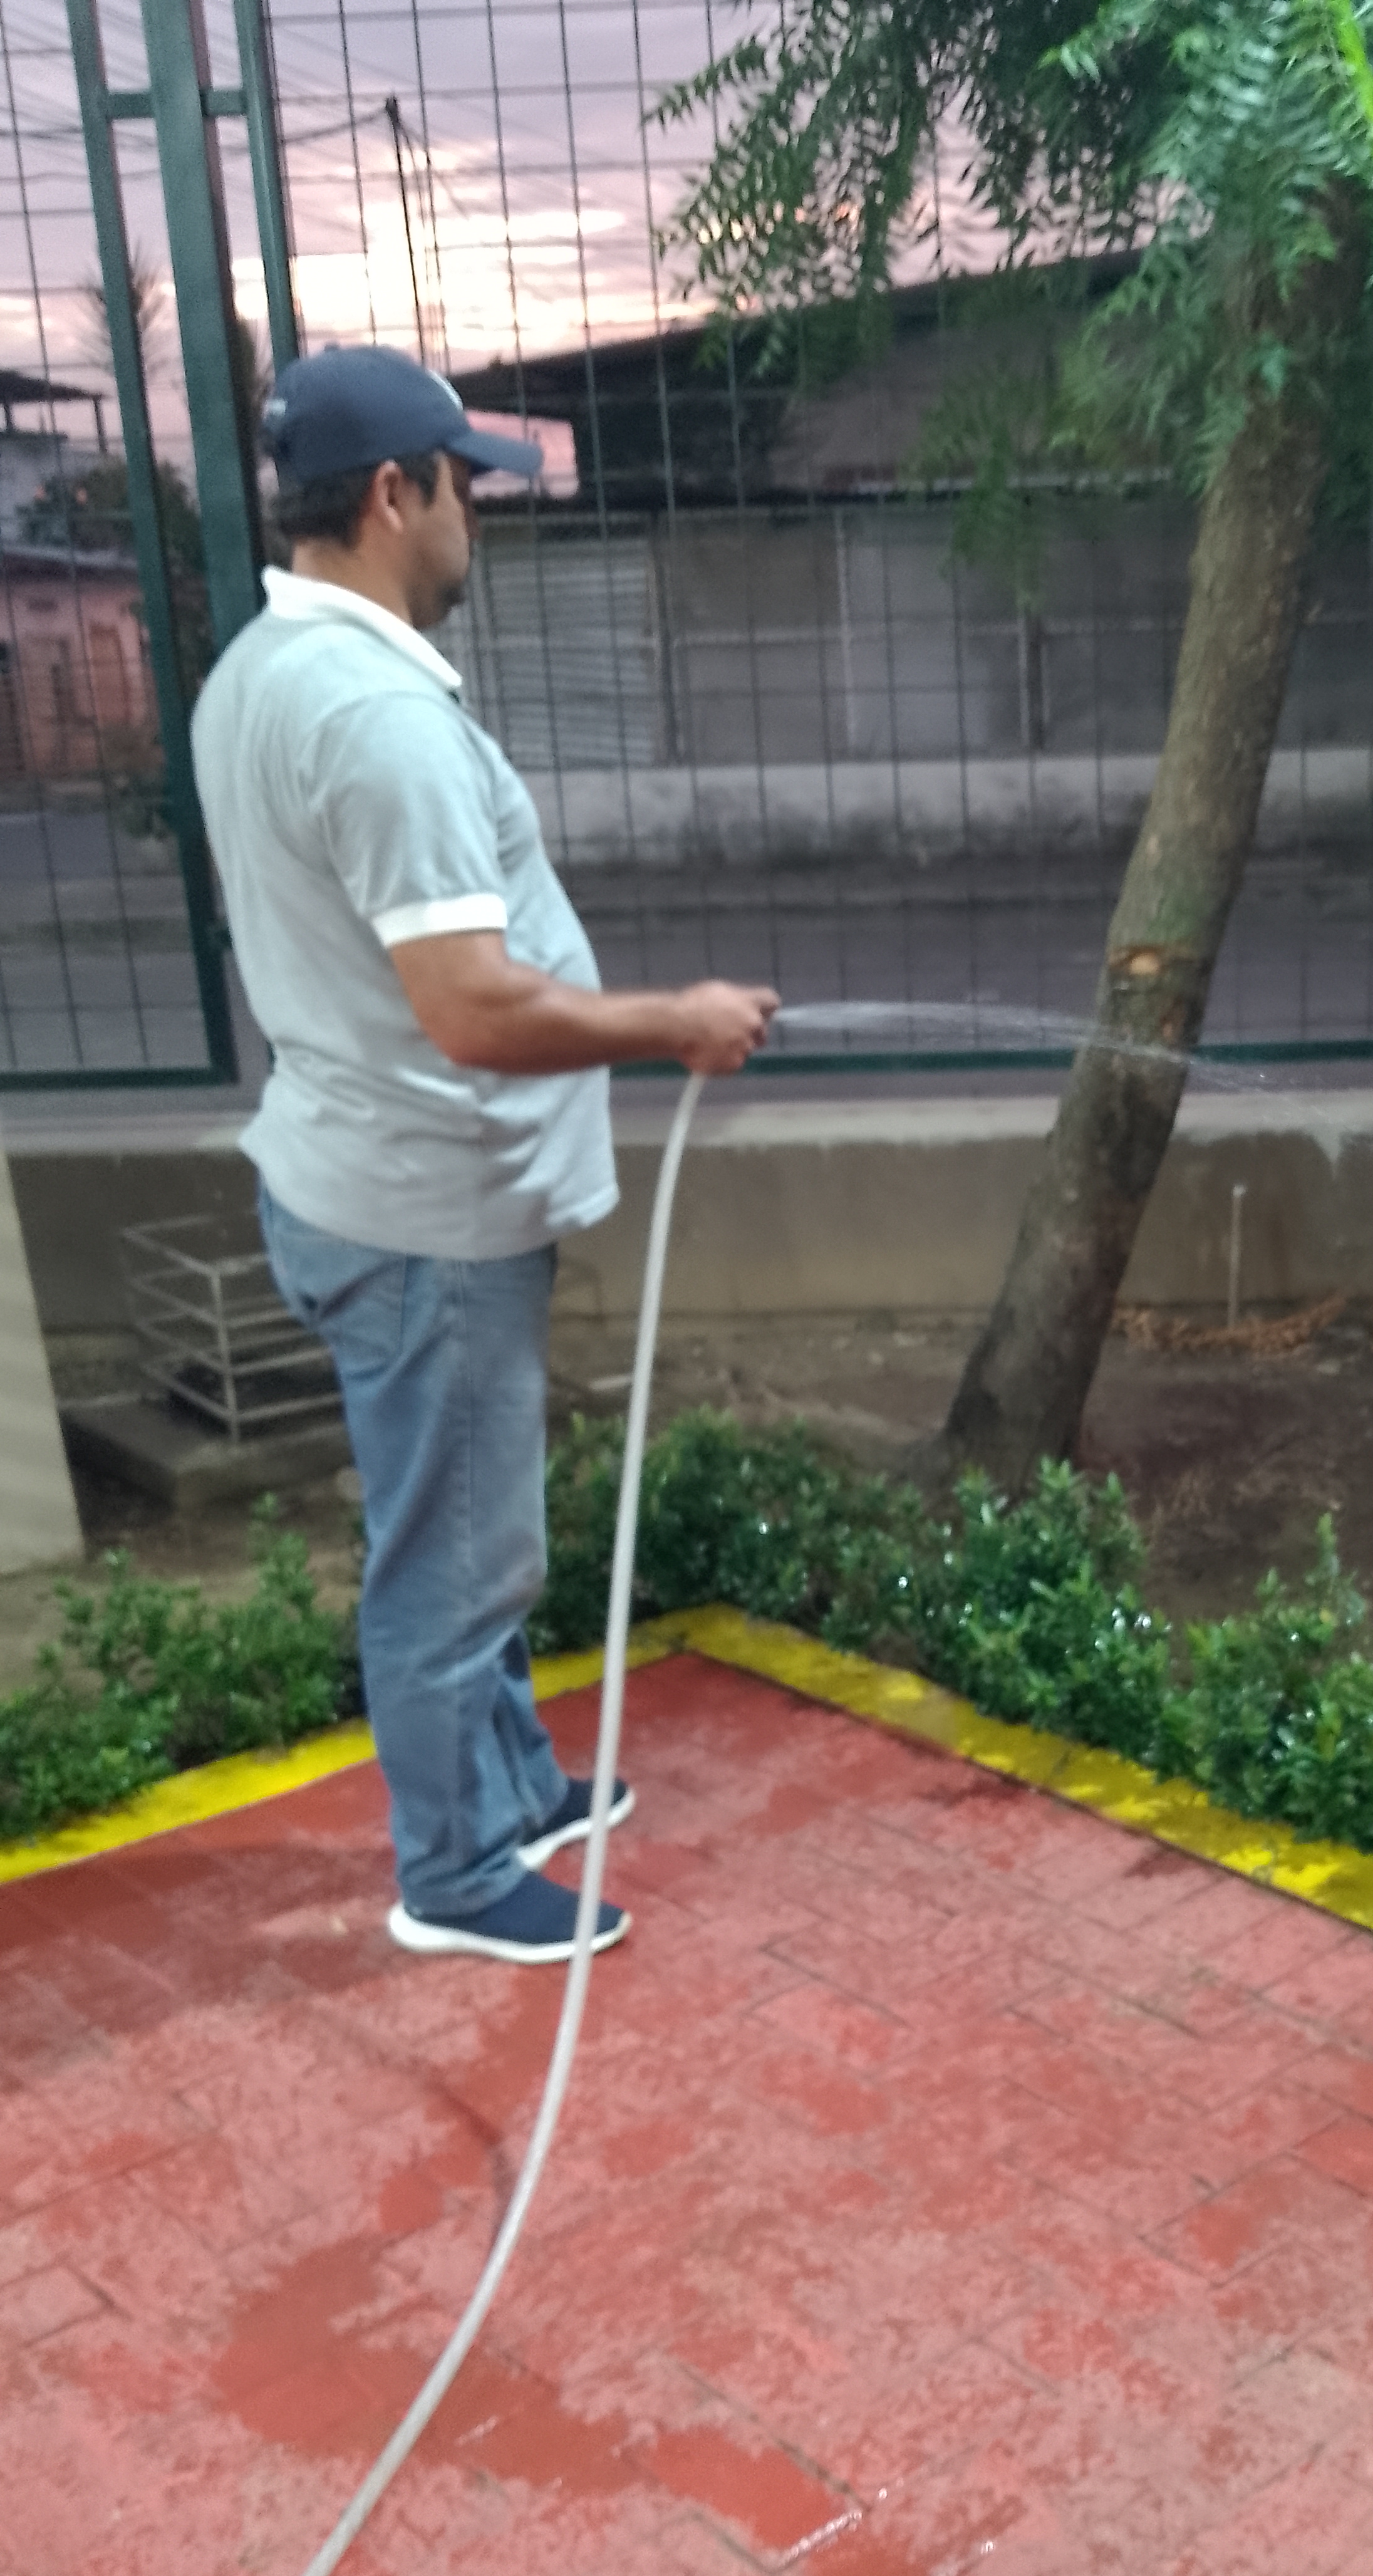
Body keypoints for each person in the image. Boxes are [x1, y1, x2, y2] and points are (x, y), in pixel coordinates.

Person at [192, 345, 777, 1965]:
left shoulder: (257, 675)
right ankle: (453, 1874)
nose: (480, 521)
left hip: (371, 1182)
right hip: (422, 1217)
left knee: (467, 1529)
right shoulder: (373, 716)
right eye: (467, 488)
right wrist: (674, 1021)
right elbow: (468, 1004)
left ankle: (509, 1790)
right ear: (396, 495)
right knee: (452, 1557)